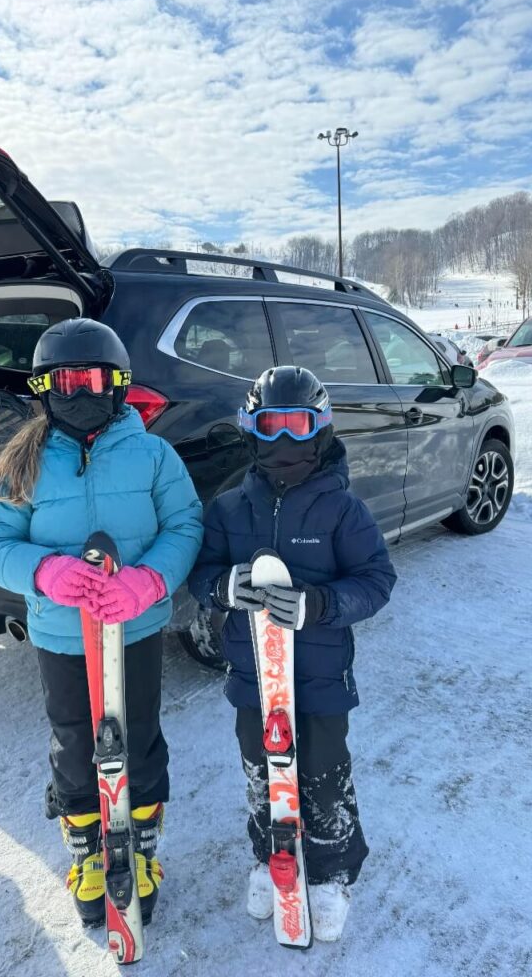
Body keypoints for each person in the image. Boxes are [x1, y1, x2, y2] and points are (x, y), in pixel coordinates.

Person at [0, 318, 203, 929]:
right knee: (77, 745)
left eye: (94, 381)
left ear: (118, 385)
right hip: (62, 635)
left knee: (140, 738)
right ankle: (87, 853)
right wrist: (43, 570)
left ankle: (142, 848)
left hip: (135, 629)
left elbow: (185, 525)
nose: (80, 394)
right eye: (65, 383)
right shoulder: (23, 461)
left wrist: (150, 580)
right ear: (43, 390)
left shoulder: (153, 454)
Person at [188, 366, 397, 942]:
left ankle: (331, 871)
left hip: (322, 675)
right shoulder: (229, 509)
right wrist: (222, 587)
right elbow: (201, 572)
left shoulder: (343, 510)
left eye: (298, 426)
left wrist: (321, 604)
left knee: (324, 775)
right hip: (252, 672)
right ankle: (270, 855)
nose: (284, 439)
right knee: (262, 773)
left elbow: (377, 580)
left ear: (321, 430)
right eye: (270, 426)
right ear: (249, 430)